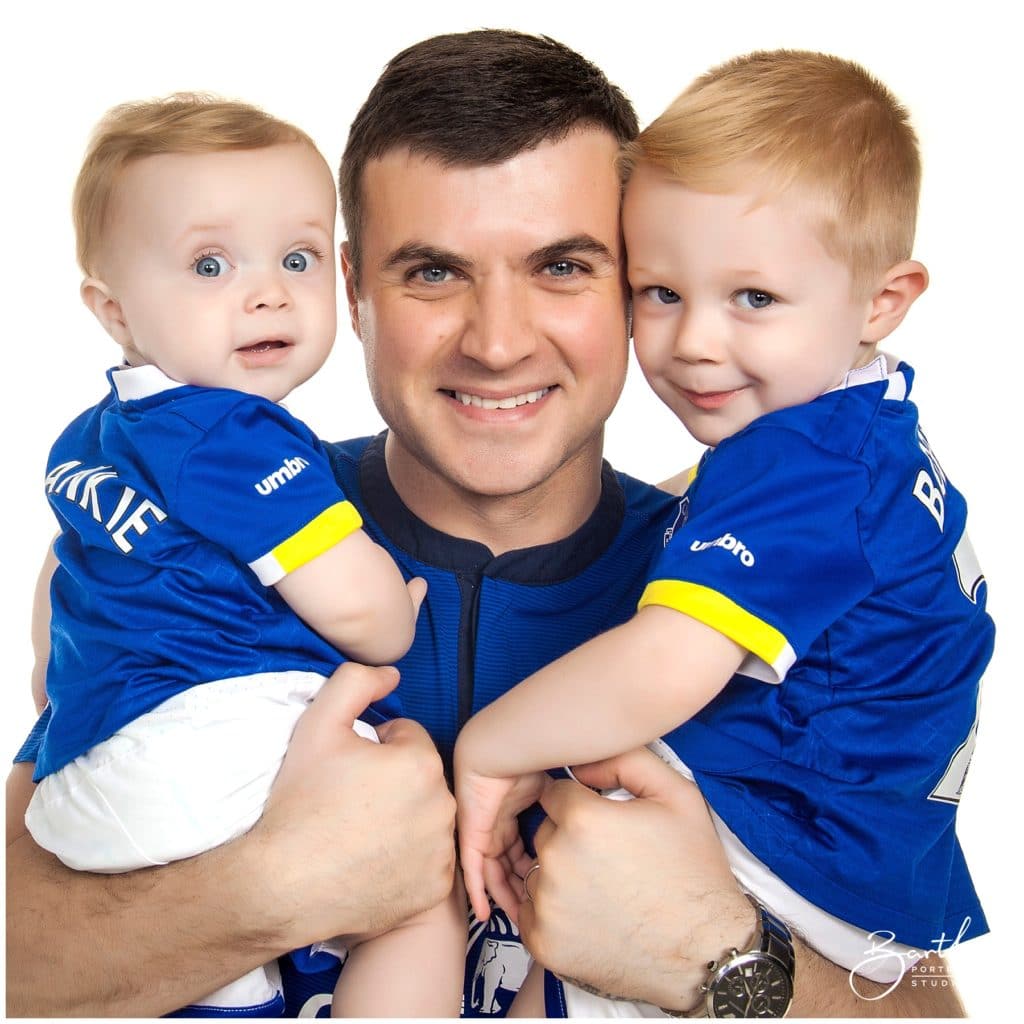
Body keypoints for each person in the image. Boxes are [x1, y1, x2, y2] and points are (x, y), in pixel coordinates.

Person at [6, 31, 967, 1019]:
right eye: (432, 272)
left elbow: (925, 995)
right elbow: (20, 944)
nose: (498, 342)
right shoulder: (202, 532)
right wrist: (267, 890)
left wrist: (712, 952)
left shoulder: (767, 574)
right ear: (350, 286)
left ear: (633, 283)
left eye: (561, 266)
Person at [453, 49, 993, 1016]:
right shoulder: (863, 431)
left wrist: (492, 747)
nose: (695, 339)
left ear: (883, 300)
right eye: (661, 292)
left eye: (753, 298)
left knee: (566, 889)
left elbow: (664, 667)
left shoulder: (802, 466)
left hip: (785, 847)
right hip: (871, 856)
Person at [21, 93, 464, 1018]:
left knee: (207, 978)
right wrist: (398, 604)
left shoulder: (92, 438)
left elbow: (56, 608)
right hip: (203, 751)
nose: (267, 292)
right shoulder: (243, 435)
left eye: (296, 258)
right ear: (113, 310)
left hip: (84, 772)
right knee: (419, 898)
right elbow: (365, 616)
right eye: (210, 264)